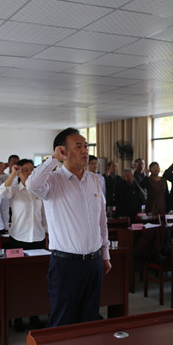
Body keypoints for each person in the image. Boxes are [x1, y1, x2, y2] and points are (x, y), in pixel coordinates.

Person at [26, 127, 111, 328]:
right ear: (63, 151)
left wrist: (105, 254)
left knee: (89, 320)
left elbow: (101, 220)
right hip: (66, 264)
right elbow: (32, 184)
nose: (85, 151)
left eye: (86, 146)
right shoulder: (53, 180)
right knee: (62, 321)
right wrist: (53, 160)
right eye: (78, 146)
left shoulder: (94, 180)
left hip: (94, 263)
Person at [0, 158, 47, 331]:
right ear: (19, 172)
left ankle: (34, 316)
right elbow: (2, 192)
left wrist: (48, 235)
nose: (29, 173)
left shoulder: (40, 191)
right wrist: (13, 174)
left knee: (36, 281)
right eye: (25, 170)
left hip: (38, 239)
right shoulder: (14, 190)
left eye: (32, 170)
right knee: (19, 281)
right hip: (18, 239)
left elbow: (44, 216)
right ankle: (18, 317)